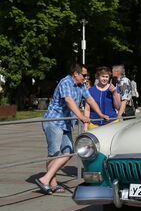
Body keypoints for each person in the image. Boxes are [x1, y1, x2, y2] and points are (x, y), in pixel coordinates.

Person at [35, 64, 109, 194]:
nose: (86, 78)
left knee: (69, 152)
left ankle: (46, 180)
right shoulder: (66, 82)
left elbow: (90, 100)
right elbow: (69, 101)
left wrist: (101, 114)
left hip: (66, 124)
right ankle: (51, 183)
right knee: (54, 154)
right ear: (76, 74)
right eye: (84, 75)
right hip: (54, 121)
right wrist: (81, 116)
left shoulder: (81, 86)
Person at [84, 67, 121, 131]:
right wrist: (85, 125)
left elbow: (118, 107)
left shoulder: (113, 89)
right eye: (103, 76)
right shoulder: (90, 91)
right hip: (94, 124)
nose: (105, 79)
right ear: (98, 77)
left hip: (111, 123)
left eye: (107, 77)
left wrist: (114, 93)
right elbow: (87, 109)